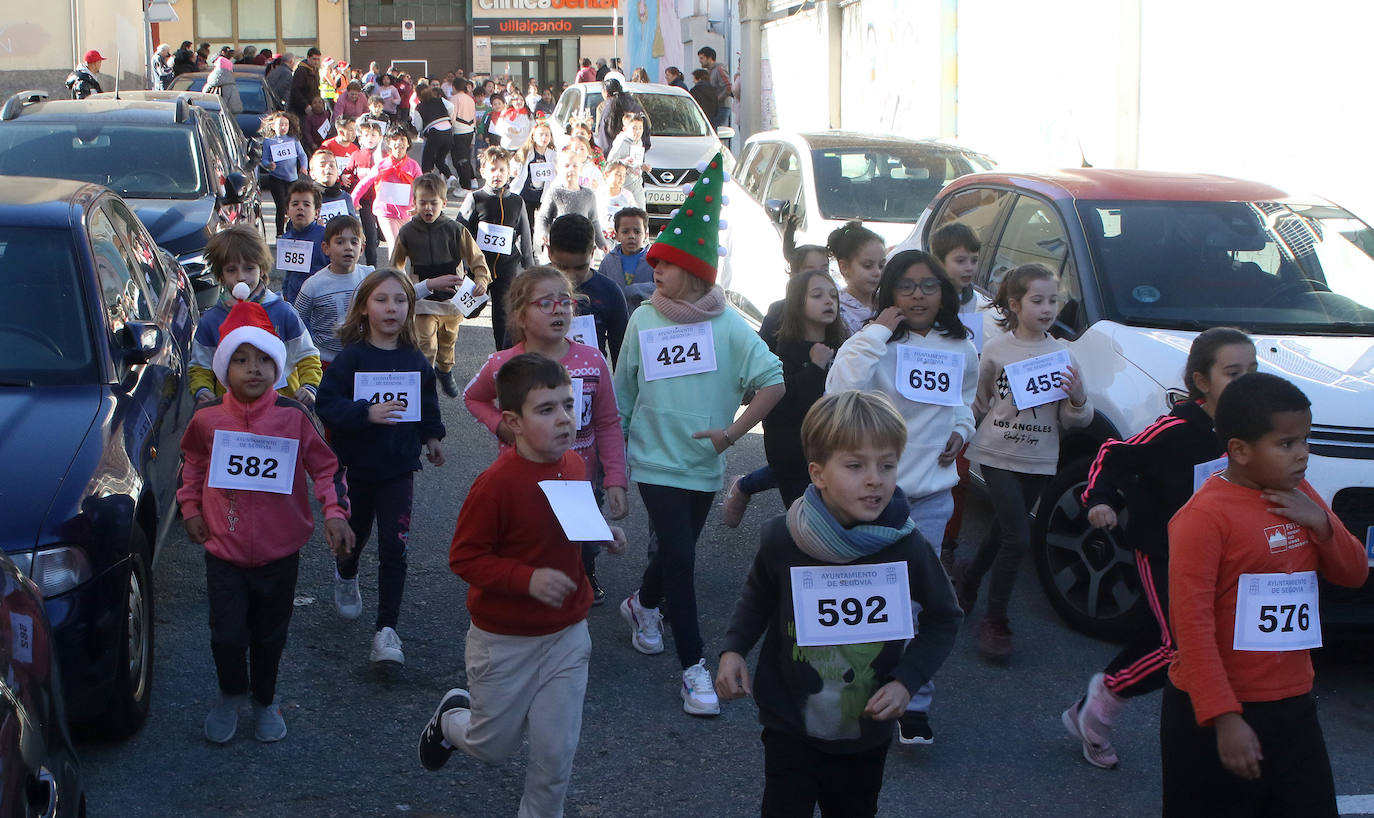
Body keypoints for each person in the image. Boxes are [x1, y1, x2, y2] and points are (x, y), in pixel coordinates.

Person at [715, 390, 962, 816]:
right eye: (855, 465)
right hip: (789, 723)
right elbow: (758, 593)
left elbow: (944, 617)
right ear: (818, 474)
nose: (875, 479)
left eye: (887, 465)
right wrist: (734, 648)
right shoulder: (783, 537)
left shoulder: (906, 546)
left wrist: (906, 680)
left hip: (866, 730)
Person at [419, 353, 627, 818]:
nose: (564, 419)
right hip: (503, 639)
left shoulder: (574, 464)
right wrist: (527, 579)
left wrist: (600, 531)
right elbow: (465, 557)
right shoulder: (495, 485)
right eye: (546, 409)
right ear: (512, 422)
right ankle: (451, 721)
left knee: (556, 756)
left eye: (568, 406)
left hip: (568, 633)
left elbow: (568, 516)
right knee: (492, 747)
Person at [615, 154, 786, 716]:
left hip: (704, 464)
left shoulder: (731, 326)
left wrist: (733, 434)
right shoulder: (643, 319)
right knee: (683, 557)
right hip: (652, 460)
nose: (655, 268)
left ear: (695, 272)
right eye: (655, 260)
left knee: (674, 553)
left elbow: (773, 381)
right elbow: (622, 394)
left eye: (666, 262)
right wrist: (610, 465)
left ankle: (643, 603)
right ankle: (694, 668)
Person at [1162, 372, 1367, 817]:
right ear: (1239, 450)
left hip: (1293, 703)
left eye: (1305, 441)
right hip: (1216, 712)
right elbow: (1191, 628)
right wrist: (1225, 717)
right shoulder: (1202, 519)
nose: (1303, 455)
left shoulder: (1298, 495)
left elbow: (1353, 574)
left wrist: (1322, 523)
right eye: (1287, 444)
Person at [1061, 328, 1257, 769]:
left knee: (1166, 633)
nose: (1245, 381)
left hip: (1220, 555)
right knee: (1180, 647)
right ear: (1201, 380)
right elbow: (1113, 453)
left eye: (1252, 370)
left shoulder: (1251, 428)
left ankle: (1094, 712)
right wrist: (1100, 500)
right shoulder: (1177, 428)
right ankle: (1102, 702)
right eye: (1232, 372)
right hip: (1163, 547)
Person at [178, 293, 353, 744]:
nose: (253, 368)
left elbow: (325, 466)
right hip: (224, 548)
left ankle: (265, 699)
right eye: (240, 359)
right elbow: (193, 465)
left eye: (262, 359)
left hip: (280, 551)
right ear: (223, 369)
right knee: (227, 634)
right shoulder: (208, 419)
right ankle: (230, 693)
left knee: (270, 634)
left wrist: (334, 514)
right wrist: (191, 509)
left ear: (278, 367)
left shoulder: (294, 416)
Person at [823, 249, 977, 743]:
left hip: (931, 498)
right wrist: (875, 333)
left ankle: (914, 701)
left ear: (943, 292)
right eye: (906, 286)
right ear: (889, 292)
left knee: (916, 603)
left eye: (928, 285)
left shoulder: (961, 347)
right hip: (872, 497)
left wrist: (961, 428)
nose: (917, 295)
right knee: (863, 595)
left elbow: (963, 403)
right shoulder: (878, 342)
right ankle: (848, 689)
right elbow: (838, 390)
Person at [463, 267, 629, 602]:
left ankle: (578, 581)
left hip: (580, 479)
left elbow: (608, 422)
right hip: (520, 480)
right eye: (546, 303)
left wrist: (615, 479)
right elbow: (472, 396)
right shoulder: (502, 363)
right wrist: (501, 426)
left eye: (565, 302)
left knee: (577, 547)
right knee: (526, 545)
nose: (559, 310)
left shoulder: (592, 360)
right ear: (521, 317)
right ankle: (522, 600)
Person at [954, 263, 1092, 660]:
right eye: (1037, 300)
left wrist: (1079, 397)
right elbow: (978, 400)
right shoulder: (996, 350)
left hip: (1040, 457)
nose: (1047, 308)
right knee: (1018, 536)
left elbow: (1073, 418)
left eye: (1053, 300)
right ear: (1015, 304)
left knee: (1003, 532)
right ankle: (996, 621)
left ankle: (970, 577)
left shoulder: (1063, 355)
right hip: (996, 452)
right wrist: (959, 433)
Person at [316, 269, 445, 668]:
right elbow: (326, 405)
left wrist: (433, 436)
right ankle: (346, 571)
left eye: (401, 300)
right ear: (364, 308)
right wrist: (364, 413)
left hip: (398, 468)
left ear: (410, 308)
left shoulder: (414, 359)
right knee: (355, 539)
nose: (392, 308)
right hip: (355, 468)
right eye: (382, 300)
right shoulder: (351, 357)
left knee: (395, 546)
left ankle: (386, 631)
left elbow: (427, 401)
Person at [721, 232, 830, 528]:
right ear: (794, 277)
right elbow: (764, 359)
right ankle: (745, 488)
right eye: (812, 272)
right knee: (793, 475)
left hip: (825, 434)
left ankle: (745, 485)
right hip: (786, 428)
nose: (822, 280)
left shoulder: (836, 329)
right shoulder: (781, 316)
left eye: (826, 270)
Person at [189, 226, 321, 405]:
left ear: (262, 269)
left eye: (249, 268)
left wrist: (308, 386)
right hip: (231, 413)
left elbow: (307, 355)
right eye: (231, 270)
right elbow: (200, 366)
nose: (241, 277)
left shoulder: (283, 312)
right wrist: (203, 390)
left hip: (281, 408)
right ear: (220, 275)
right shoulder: (211, 321)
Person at [392, 173, 491, 396]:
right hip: (423, 300)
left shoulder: (455, 230)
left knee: (447, 342)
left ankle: (445, 370)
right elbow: (394, 267)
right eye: (422, 203)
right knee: (426, 342)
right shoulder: (407, 232)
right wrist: (397, 293)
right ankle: (424, 385)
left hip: (453, 300)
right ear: (414, 203)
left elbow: (477, 259)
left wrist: (481, 280)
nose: (428, 208)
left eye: (433, 203)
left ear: (444, 203)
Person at [928, 221, 984, 572]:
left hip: (956, 401)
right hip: (923, 401)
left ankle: (947, 545)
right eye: (960, 260)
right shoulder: (923, 297)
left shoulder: (974, 300)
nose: (969, 268)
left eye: (973, 260)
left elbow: (973, 351)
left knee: (957, 477)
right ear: (939, 261)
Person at [458, 147, 534, 349]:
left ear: (509, 171)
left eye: (501, 170)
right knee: (468, 311)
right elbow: (460, 232)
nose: (497, 174)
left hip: (507, 269)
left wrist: (530, 266)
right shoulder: (475, 199)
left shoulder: (517, 202)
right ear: (483, 171)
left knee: (503, 319)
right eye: (492, 169)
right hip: (478, 269)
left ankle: (502, 359)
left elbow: (525, 235)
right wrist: (463, 264)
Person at [547, 214, 628, 366]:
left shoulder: (610, 292)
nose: (570, 276)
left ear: (592, 253)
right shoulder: (530, 289)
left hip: (591, 382)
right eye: (562, 267)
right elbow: (512, 348)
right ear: (550, 252)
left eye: (580, 267)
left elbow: (622, 358)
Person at [293, 215, 372, 365]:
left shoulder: (370, 277)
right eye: (340, 242)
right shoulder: (313, 285)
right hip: (325, 361)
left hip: (362, 358)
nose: (348, 247)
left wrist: (428, 285)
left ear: (361, 249)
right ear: (326, 248)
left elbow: (401, 294)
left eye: (354, 242)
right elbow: (295, 321)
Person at [351, 127, 422, 251]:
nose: (399, 143)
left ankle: (397, 270)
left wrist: (418, 205)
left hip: (405, 213)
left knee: (404, 246)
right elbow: (366, 182)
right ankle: (396, 271)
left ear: (408, 143)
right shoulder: (382, 165)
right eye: (395, 139)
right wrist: (354, 199)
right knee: (394, 245)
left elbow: (422, 187)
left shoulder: (413, 166)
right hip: (385, 212)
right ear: (388, 142)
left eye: (402, 139)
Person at [535, 144, 606, 257]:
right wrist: (542, 235)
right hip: (559, 244)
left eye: (575, 166)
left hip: (582, 245)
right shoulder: (555, 192)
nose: (571, 169)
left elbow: (594, 221)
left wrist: (601, 242)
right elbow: (543, 217)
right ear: (558, 168)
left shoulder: (589, 195)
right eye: (567, 166)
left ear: (580, 168)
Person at [276, 180, 329, 305]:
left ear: (317, 212)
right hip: (295, 301)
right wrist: (286, 294)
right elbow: (288, 273)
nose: (300, 207)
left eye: (306, 204)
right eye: (295, 204)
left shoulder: (326, 237)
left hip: (320, 301)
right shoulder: (286, 239)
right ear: (287, 211)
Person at [829, 221, 886, 334]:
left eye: (881, 266)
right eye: (867, 266)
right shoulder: (837, 310)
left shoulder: (888, 300)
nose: (877, 272)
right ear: (844, 267)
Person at [259, 112, 309, 236]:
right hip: (276, 178)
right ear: (273, 126)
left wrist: (304, 167)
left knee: (292, 205)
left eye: (286, 125)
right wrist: (269, 164)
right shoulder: (269, 142)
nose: (283, 127)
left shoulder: (293, 140)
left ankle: (292, 230)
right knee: (281, 205)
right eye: (281, 125)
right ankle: (280, 233)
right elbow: (264, 160)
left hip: (292, 178)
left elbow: (302, 155)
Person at [343, 120, 383, 267]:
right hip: (364, 203)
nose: (370, 138)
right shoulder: (356, 155)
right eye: (366, 135)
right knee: (370, 236)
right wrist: (343, 178)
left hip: (383, 201)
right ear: (360, 139)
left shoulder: (385, 156)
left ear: (380, 137)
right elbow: (348, 172)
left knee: (383, 235)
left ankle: (378, 236)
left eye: (374, 135)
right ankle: (372, 267)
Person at [599, 206, 654, 312]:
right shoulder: (609, 261)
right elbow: (600, 287)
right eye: (625, 231)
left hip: (644, 318)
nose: (631, 236)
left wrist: (637, 289)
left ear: (646, 235)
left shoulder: (653, 261)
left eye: (637, 232)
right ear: (617, 236)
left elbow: (663, 288)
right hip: (615, 319)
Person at [510, 118, 557, 229]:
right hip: (526, 195)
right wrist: (514, 171)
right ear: (533, 136)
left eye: (547, 135)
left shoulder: (553, 155)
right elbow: (512, 167)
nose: (544, 138)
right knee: (527, 226)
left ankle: (544, 246)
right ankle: (527, 245)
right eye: (540, 134)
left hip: (544, 196)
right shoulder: (525, 152)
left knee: (544, 227)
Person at [410, 84, 457, 179]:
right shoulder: (440, 100)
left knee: (427, 162)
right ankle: (451, 178)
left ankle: (428, 183)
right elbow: (451, 106)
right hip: (448, 133)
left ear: (418, 96)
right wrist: (450, 119)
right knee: (440, 160)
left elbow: (418, 127)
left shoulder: (419, 107)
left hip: (435, 134)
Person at [606, 113, 651, 208]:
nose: (638, 132)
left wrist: (643, 166)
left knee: (641, 213)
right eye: (634, 128)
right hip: (623, 185)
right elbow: (610, 163)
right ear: (625, 129)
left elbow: (637, 161)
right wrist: (624, 162)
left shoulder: (638, 141)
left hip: (637, 183)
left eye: (640, 128)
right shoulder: (621, 143)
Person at [309, 149, 356, 223]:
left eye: (332, 165)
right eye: (322, 165)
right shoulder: (307, 198)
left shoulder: (346, 197)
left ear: (338, 173)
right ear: (312, 173)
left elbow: (356, 229)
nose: (328, 167)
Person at [449, 79, 478, 189]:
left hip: (458, 130)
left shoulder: (454, 99)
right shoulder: (470, 99)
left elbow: (452, 116)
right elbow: (474, 116)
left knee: (460, 159)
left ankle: (466, 186)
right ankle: (471, 179)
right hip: (470, 129)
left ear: (454, 87)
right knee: (465, 157)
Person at [697, 47, 732, 129]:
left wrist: (716, 100)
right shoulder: (709, 71)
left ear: (709, 58)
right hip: (714, 109)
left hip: (721, 108)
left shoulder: (719, 69)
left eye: (702, 58)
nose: (700, 61)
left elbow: (728, 87)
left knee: (715, 134)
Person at [289, 48, 323, 122]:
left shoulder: (315, 70)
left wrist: (319, 103)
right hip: (300, 109)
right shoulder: (301, 71)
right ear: (308, 57)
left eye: (318, 59)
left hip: (312, 107)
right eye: (314, 59)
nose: (316, 62)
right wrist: (306, 106)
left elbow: (316, 89)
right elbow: (296, 91)